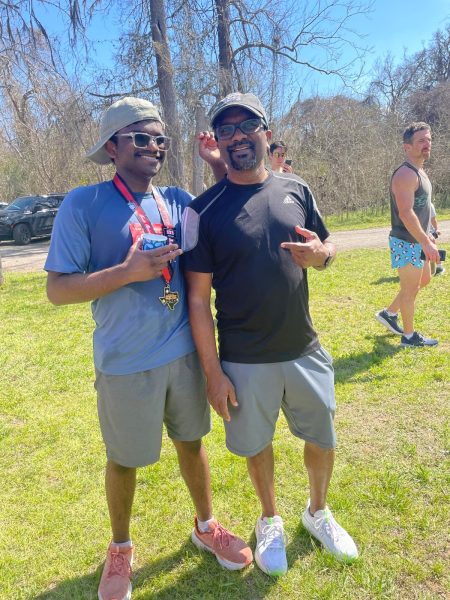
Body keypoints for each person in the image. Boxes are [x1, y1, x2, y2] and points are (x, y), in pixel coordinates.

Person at [44, 97, 252, 600]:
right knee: (124, 459)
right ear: (112, 147)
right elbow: (58, 289)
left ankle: (206, 527)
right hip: (124, 363)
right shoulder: (83, 204)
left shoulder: (178, 199)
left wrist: (218, 164)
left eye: (160, 138)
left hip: (182, 354)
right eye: (142, 137)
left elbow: (235, 201)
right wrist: (126, 273)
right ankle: (120, 549)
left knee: (192, 443)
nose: (155, 146)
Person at [183, 92, 358, 577]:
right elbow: (197, 300)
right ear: (217, 141)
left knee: (321, 437)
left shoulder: (296, 189)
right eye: (226, 130)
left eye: (246, 126)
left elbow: (328, 245)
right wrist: (213, 373)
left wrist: (323, 257)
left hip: (304, 348)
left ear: (266, 130)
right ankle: (270, 519)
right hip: (243, 358)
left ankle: (317, 512)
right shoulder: (203, 210)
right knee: (257, 445)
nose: (237, 136)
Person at [375, 122, 441, 347]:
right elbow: (405, 213)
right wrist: (425, 242)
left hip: (419, 239)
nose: (427, 144)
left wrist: (428, 235)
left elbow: (422, 210)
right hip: (405, 240)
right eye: (421, 141)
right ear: (407, 147)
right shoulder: (405, 174)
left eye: (429, 139)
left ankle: (390, 313)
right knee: (411, 288)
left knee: (423, 280)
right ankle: (409, 336)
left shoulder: (420, 171)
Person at [430, 202, 445, 276]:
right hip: (422, 232)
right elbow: (433, 219)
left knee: (433, 250)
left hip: (428, 232)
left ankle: (439, 267)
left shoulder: (429, 204)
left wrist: (436, 230)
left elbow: (433, 219)